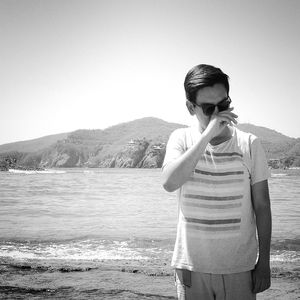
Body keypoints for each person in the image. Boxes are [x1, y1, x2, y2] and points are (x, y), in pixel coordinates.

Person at [162, 64, 272, 299]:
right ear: (190, 107)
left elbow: (262, 207)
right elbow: (170, 183)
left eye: (223, 105)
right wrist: (207, 136)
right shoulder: (180, 139)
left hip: (239, 268)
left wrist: (264, 262)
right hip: (191, 267)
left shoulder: (249, 144)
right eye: (209, 108)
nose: (217, 114)